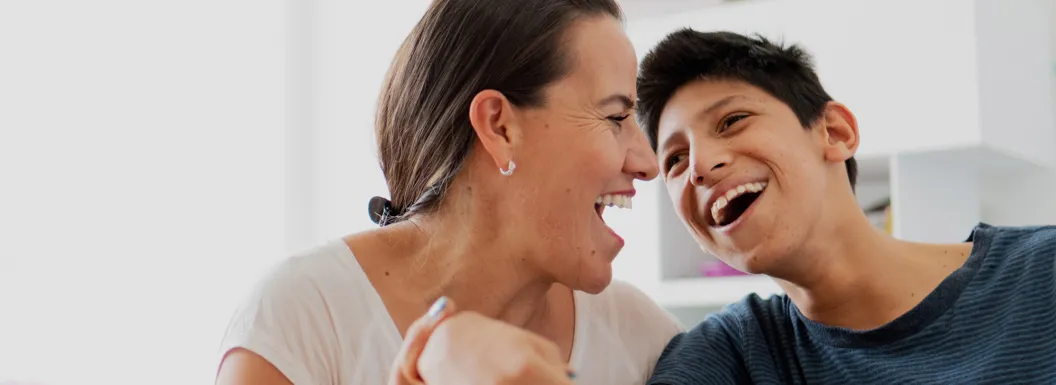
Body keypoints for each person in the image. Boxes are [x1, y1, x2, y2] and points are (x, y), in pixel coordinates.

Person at [213, 1, 682, 384]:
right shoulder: (302, 319)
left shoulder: (642, 340)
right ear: (499, 127)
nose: (648, 165)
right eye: (616, 118)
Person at [636, 30, 1056, 384]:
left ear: (835, 133)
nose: (699, 167)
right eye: (674, 160)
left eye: (732, 121)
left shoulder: (1042, 273)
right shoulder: (732, 353)